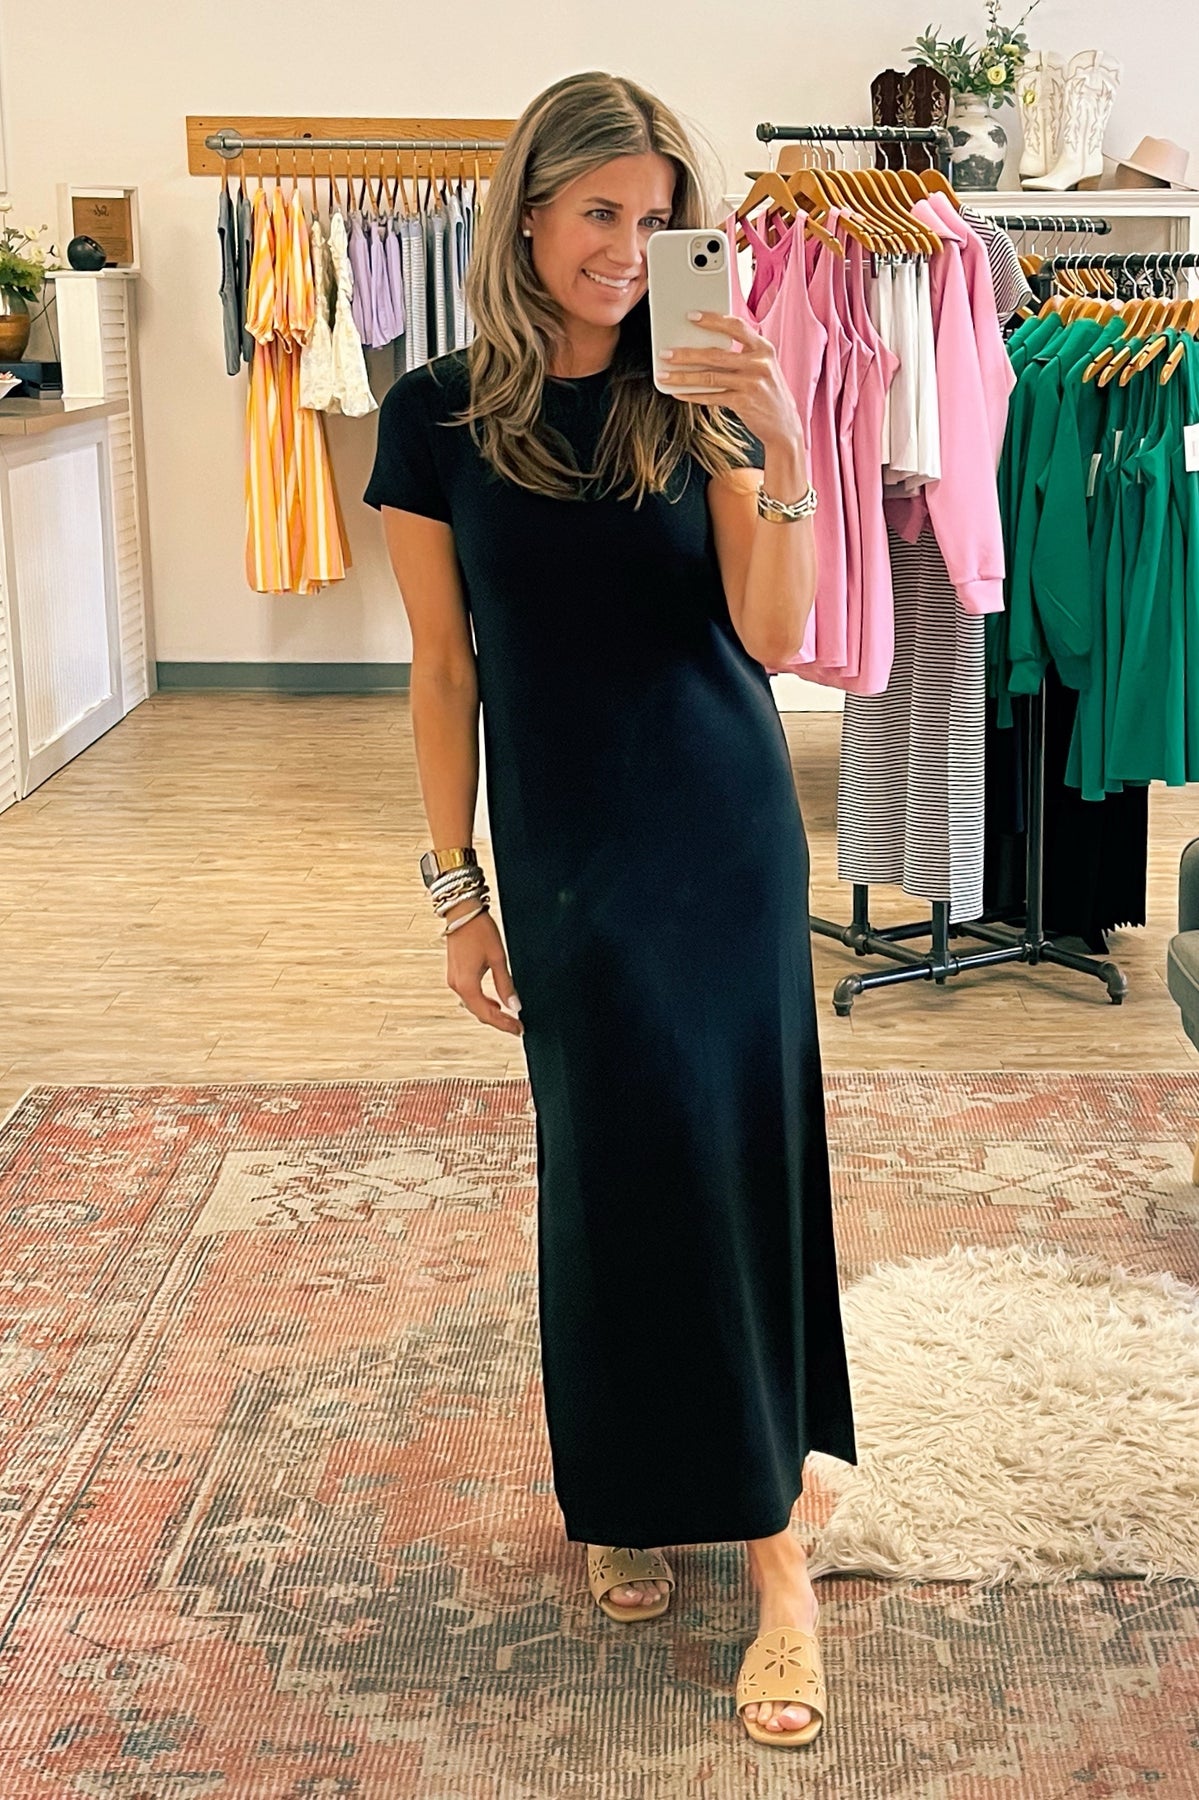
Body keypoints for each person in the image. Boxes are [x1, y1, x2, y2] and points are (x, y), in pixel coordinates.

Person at [364, 69, 858, 1748]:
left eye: (657, 220)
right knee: (603, 1171)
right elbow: (445, 672)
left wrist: (780, 439)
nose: (629, 249)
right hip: (565, 850)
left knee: (732, 1154)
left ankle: (778, 1552)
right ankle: (632, 1489)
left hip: (720, 834)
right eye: (599, 214)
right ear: (528, 215)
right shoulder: (434, 414)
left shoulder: (697, 389)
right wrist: (457, 892)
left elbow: (773, 636)